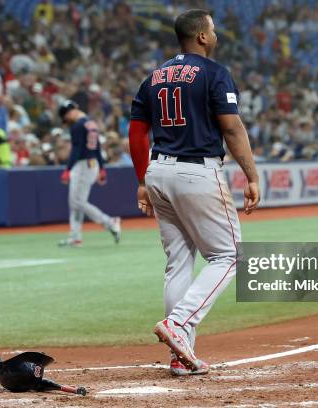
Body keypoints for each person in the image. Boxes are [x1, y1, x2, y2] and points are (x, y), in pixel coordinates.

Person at [129, 9, 259, 376]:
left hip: (158, 171)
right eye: (213, 29)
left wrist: (142, 179)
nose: (216, 34)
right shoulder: (215, 73)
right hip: (196, 171)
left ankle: (179, 356)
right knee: (229, 255)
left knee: (179, 262)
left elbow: (136, 132)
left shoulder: (154, 77)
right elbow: (232, 129)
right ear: (202, 36)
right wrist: (252, 176)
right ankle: (179, 324)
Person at [58, 100, 121, 248]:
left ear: (70, 112)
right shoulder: (91, 123)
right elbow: (97, 147)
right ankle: (75, 237)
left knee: (77, 202)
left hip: (83, 165)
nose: (67, 121)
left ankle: (110, 222)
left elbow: (76, 150)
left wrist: (68, 169)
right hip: (91, 163)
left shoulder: (78, 125)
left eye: (66, 117)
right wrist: (101, 167)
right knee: (75, 202)